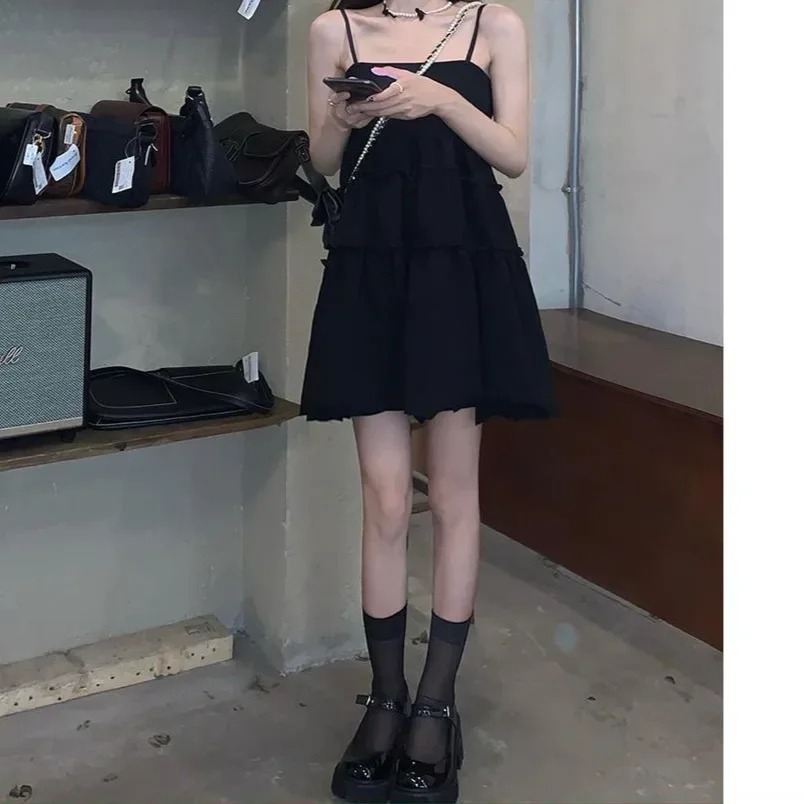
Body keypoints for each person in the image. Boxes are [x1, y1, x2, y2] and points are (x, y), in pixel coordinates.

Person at [301, 1, 555, 801]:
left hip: (458, 260)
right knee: (384, 497)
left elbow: (513, 154)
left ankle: (436, 705)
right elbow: (323, 157)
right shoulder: (334, 29)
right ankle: (386, 697)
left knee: (451, 495)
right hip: (372, 259)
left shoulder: (493, 24)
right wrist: (346, 115)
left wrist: (438, 97)